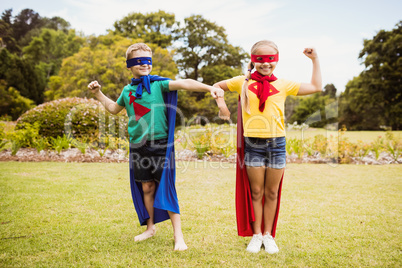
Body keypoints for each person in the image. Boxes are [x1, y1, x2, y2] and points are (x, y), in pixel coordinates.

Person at [88, 43, 224, 251]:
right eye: (138, 61)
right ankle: (150, 228)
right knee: (147, 187)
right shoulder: (127, 90)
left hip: (161, 145)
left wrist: (209, 88)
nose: (144, 64)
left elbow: (185, 83)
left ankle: (178, 236)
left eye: (147, 60)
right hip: (138, 146)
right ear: (129, 65)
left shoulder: (159, 84)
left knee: (167, 187)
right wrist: (98, 94)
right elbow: (114, 109)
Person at [213, 40, 322, 254]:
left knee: (272, 192)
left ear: (277, 60)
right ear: (253, 60)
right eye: (261, 59)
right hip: (252, 144)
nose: (266, 63)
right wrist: (222, 105)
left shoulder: (283, 84)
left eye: (271, 59)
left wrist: (315, 59)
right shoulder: (241, 82)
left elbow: (317, 87)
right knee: (256, 191)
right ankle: (256, 235)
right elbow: (216, 86)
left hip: (277, 144)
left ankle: (268, 235)